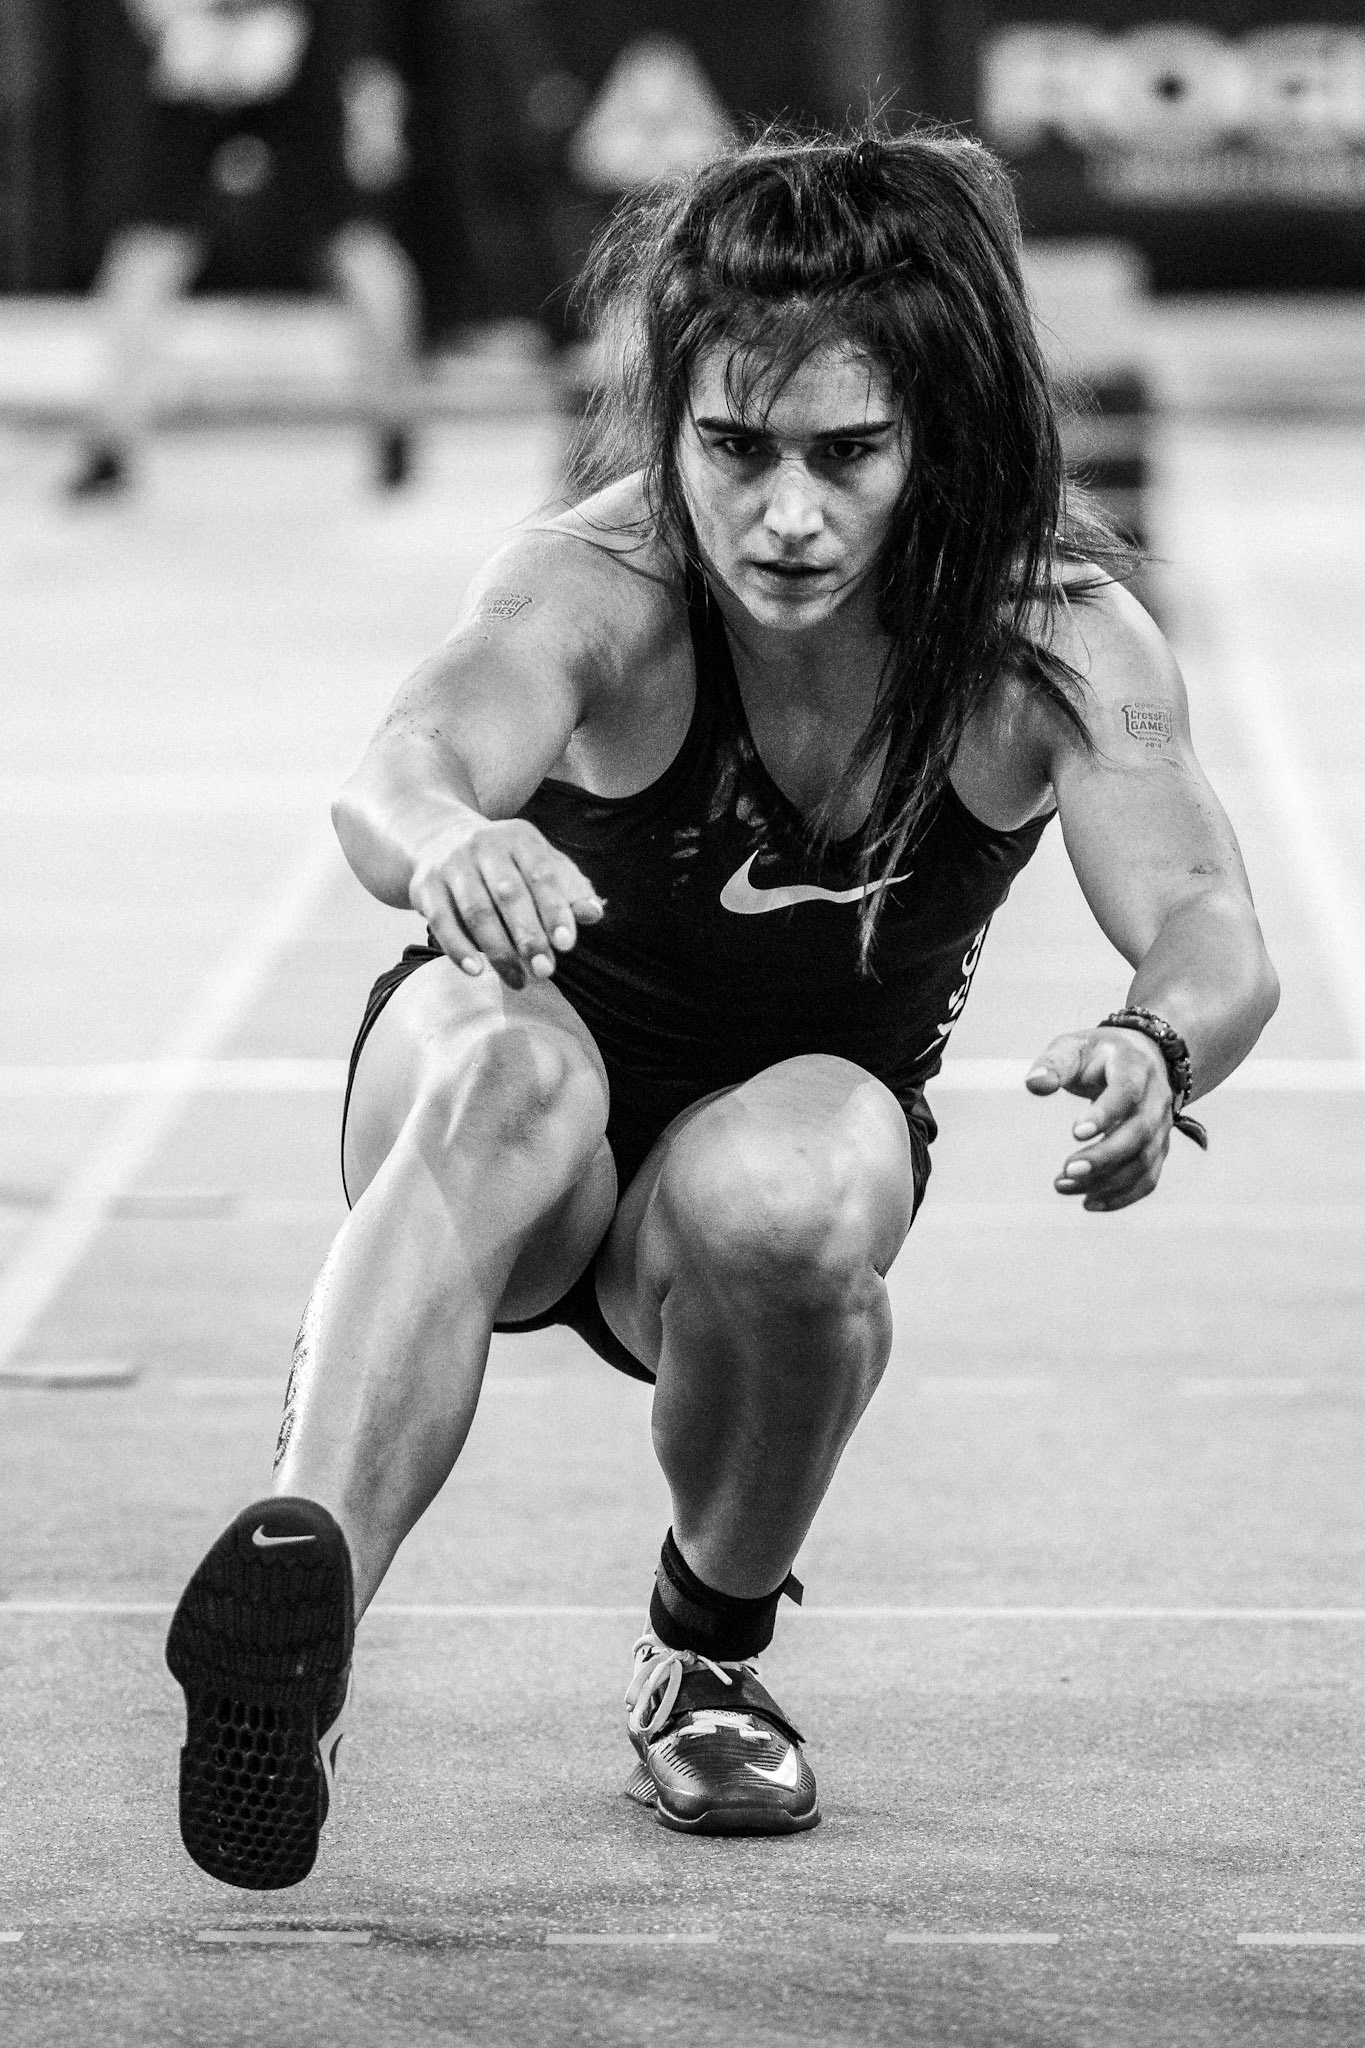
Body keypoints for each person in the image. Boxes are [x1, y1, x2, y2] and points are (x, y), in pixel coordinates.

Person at [165, 124, 1279, 1887]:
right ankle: (298, 1617)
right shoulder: (598, 579)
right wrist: (450, 837)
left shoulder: (1053, 634)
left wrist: (1157, 1040)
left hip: (738, 1187)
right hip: (510, 1118)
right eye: (734, 447)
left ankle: (705, 1657)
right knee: (508, 1069)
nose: (786, 514)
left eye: (848, 454)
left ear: (940, 432)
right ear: (673, 419)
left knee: (809, 1176)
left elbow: (1210, 920)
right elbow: (404, 760)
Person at [69, 0, 421, 497]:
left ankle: (395, 418)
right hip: (206, 48)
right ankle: (111, 436)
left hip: (268, 45)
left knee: (352, 241)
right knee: (151, 247)